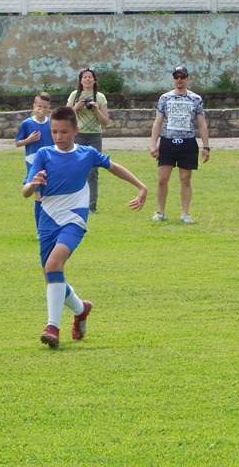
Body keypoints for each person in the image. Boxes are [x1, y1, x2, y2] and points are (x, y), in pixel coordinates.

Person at [22, 106, 147, 348]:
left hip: (74, 219)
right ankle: (81, 309)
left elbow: (114, 167)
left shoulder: (87, 154)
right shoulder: (44, 154)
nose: (59, 137)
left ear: (76, 131)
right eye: (54, 132)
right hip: (47, 218)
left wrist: (141, 187)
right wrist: (32, 184)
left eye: (64, 132)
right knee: (51, 274)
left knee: (54, 265)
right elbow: (26, 191)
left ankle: (52, 327)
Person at [148, 65, 210, 224]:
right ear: (173, 79)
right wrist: (153, 144)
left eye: (182, 77)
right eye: (176, 77)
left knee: (185, 179)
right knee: (162, 179)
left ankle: (185, 213)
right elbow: (158, 122)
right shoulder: (165, 98)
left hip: (188, 142)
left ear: (188, 78)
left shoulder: (196, 99)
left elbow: (202, 124)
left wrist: (206, 146)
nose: (179, 80)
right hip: (168, 142)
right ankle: (160, 211)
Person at [66, 68, 110, 213]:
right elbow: (66, 116)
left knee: (93, 172)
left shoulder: (100, 97)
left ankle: (91, 206)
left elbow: (105, 122)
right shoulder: (75, 95)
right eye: (84, 77)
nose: (87, 79)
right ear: (80, 81)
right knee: (76, 169)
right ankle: (75, 203)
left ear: (94, 80)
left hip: (94, 137)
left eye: (90, 77)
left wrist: (96, 110)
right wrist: (77, 107)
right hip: (77, 135)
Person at [15, 92, 53, 226]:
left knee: (48, 195)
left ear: (49, 108)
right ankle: (40, 229)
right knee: (38, 195)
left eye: (44, 107)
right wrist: (29, 140)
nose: (41, 110)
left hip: (50, 162)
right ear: (34, 106)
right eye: (39, 106)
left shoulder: (52, 124)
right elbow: (17, 143)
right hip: (33, 163)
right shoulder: (27, 123)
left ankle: (50, 224)